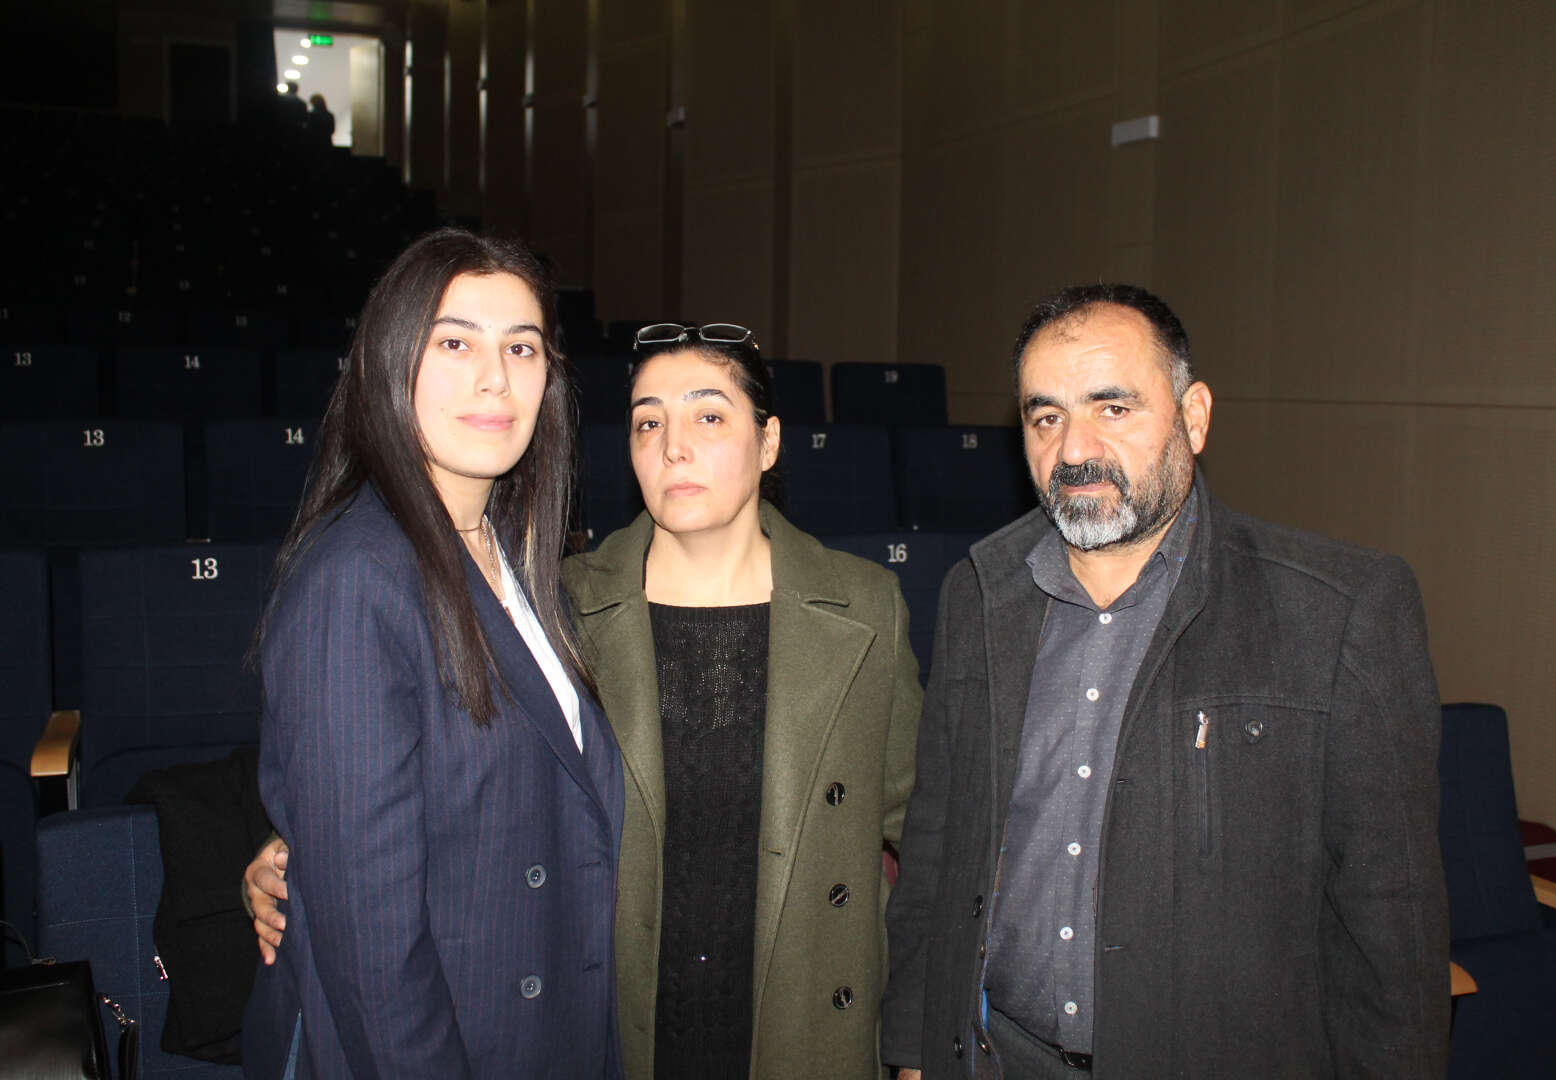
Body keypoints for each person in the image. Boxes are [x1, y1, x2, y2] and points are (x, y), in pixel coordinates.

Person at [248, 321, 922, 1078]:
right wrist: (292, 851)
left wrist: (918, 1039)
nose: (673, 448)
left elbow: (929, 833)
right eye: (647, 423)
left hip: (803, 1025)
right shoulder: (554, 608)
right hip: (618, 1019)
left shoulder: (866, 609)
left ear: (768, 443)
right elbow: (446, 769)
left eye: (708, 416)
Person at [879, 285, 1449, 1078]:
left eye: (1112, 408)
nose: (1073, 449)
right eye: (1046, 418)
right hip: (996, 1056)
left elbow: (1392, 927)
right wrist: (913, 1052)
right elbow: (936, 847)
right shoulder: (978, 593)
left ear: (1195, 416)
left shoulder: (1337, 614)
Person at [241, 227, 624, 1079]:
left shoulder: (514, 556)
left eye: (521, 347)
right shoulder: (355, 582)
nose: (496, 379)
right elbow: (374, 954)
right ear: (390, 364)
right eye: (455, 343)